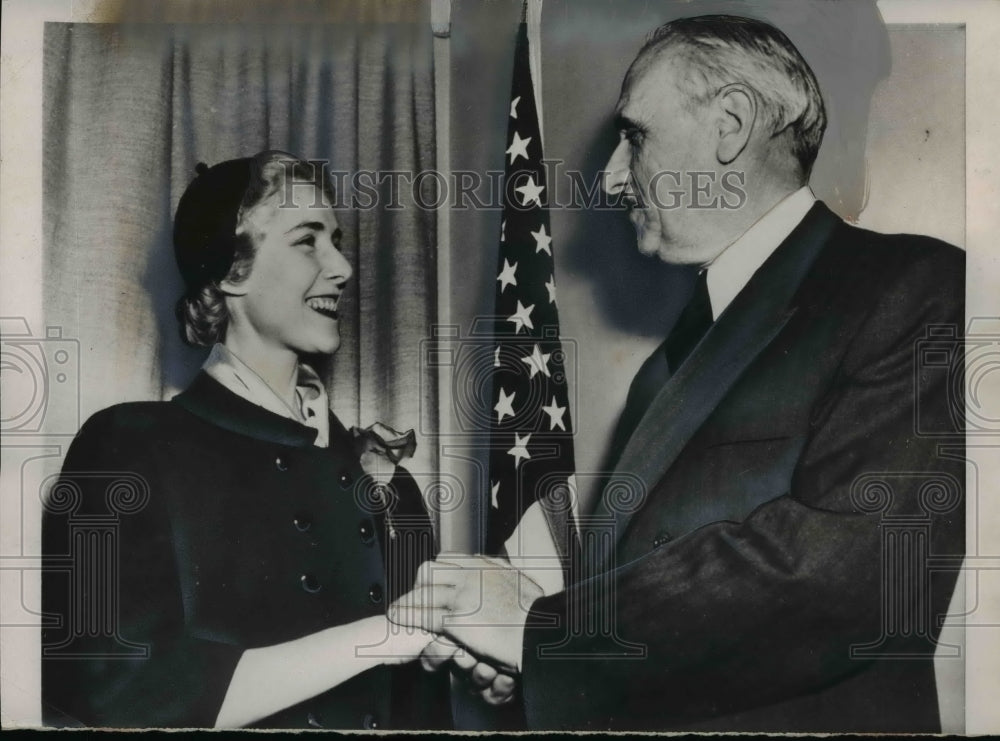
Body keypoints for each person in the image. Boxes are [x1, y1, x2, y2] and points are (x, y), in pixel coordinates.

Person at [391, 15, 965, 732]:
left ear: (730, 125)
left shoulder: (917, 287)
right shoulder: (677, 357)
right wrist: (533, 659)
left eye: (635, 136)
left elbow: (864, 569)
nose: (608, 179)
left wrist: (543, 632)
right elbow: (664, 615)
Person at [41, 151, 451, 729]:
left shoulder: (388, 482)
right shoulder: (127, 449)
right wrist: (386, 636)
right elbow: (117, 694)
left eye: (336, 240)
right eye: (308, 241)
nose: (342, 267)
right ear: (233, 268)